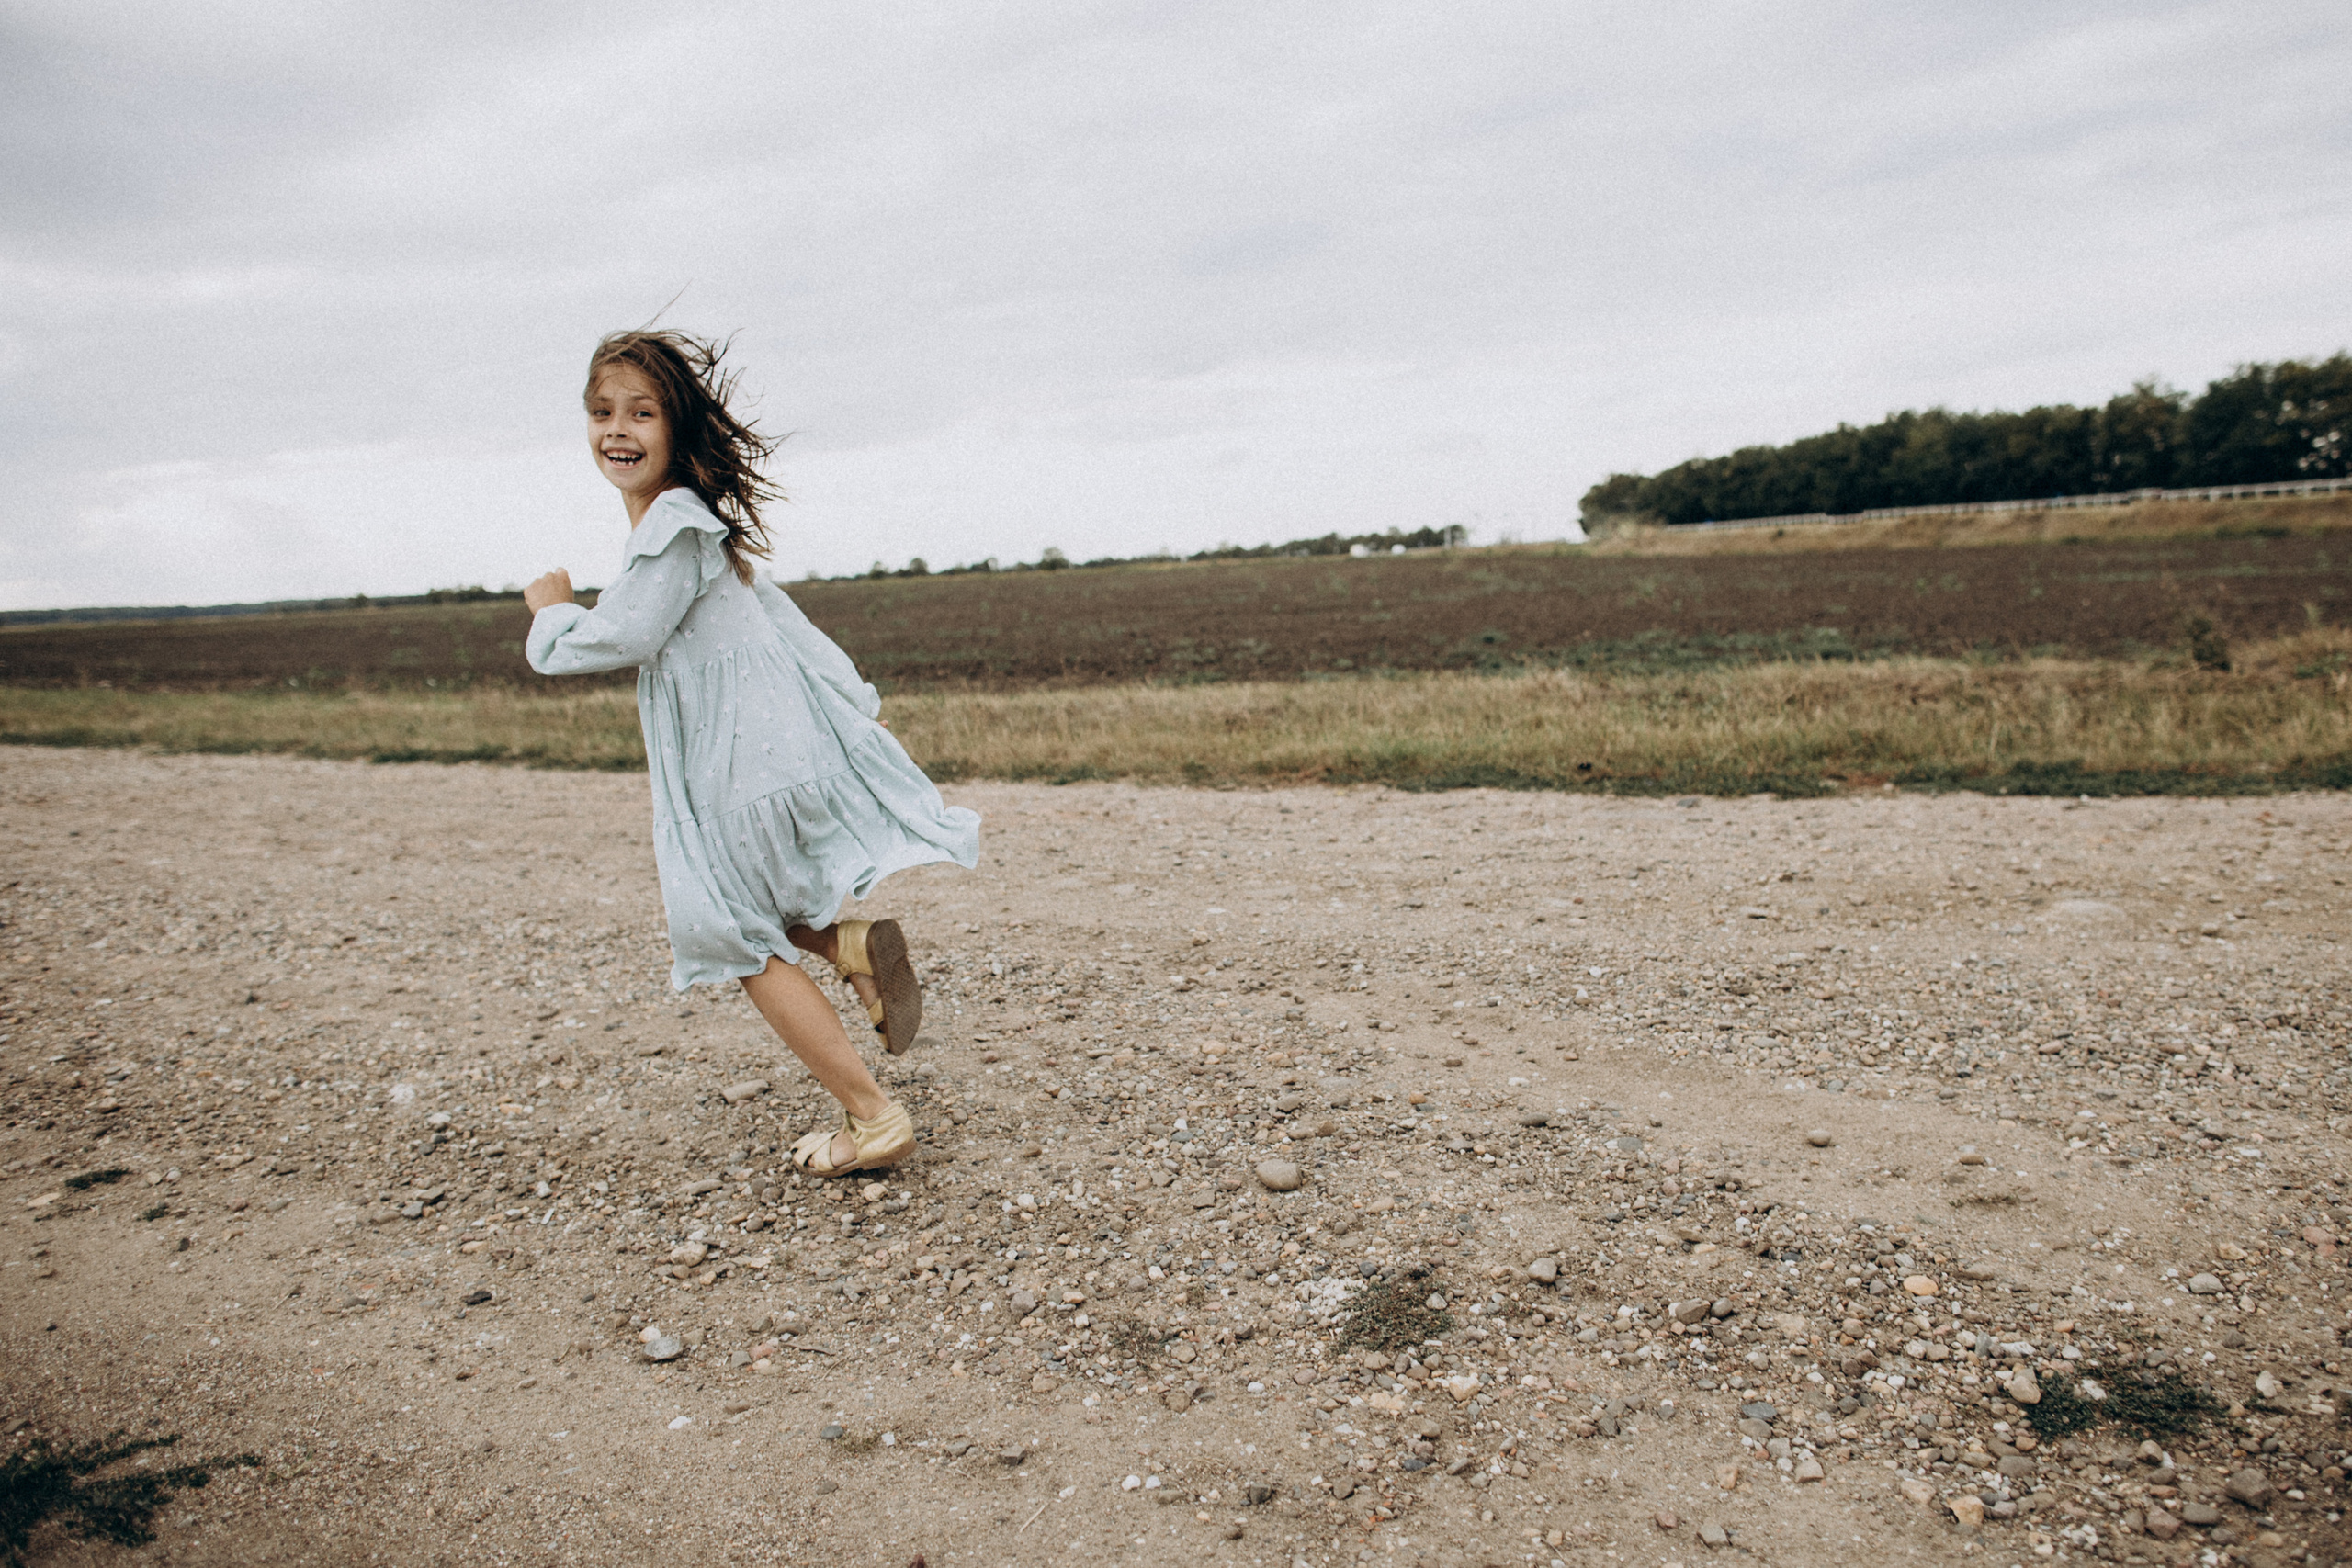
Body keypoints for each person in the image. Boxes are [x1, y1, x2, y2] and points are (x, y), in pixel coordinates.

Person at [522, 329, 978, 1176]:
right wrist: (852, 708)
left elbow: (620, 635)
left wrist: (551, 613)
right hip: (764, 759)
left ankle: (874, 1117)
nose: (616, 428)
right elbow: (789, 629)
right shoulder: (699, 527)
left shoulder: (672, 525)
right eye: (600, 411)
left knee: (731, 934)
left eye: (641, 412)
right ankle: (847, 947)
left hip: (734, 772)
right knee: (753, 904)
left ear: (679, 427)